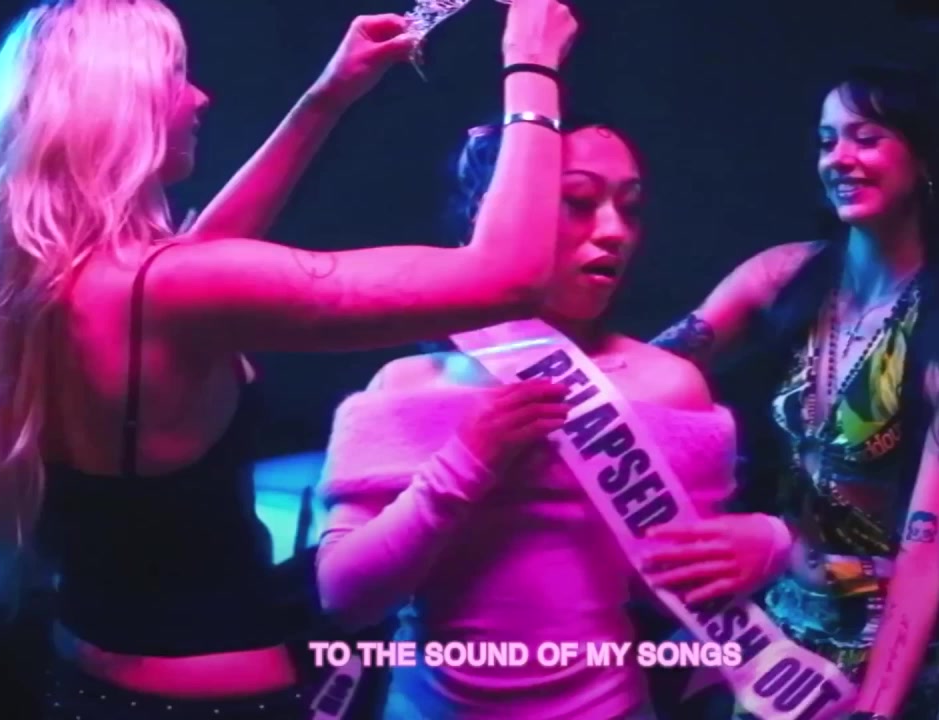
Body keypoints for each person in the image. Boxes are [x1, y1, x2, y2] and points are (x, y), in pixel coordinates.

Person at [0, 0, 579, 717]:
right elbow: (510, 277)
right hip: (213, 702)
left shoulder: (32, 278)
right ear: (120, 104)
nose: (199, 97)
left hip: (76, 675)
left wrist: (325, 98)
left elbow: (192, 267)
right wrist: (531, 61)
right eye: (175, 76)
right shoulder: (174, 291)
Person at [314, 117, 777, 719]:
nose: (614, 231)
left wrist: (771, 545)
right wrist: (464, 464)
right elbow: (344, 598)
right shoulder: (407, 387)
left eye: (630, 208)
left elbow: (676, 594)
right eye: (578, 201)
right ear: (498, 208)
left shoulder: (669, 388)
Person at [648, 65, 939, 719]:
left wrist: (877, 709)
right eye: (826, 140)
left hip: (884, 640)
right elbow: (647, 376)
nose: (839, 157)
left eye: (865, 138)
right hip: (783, 609)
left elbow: (922, 556)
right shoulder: (784, 274)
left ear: (922, 159)